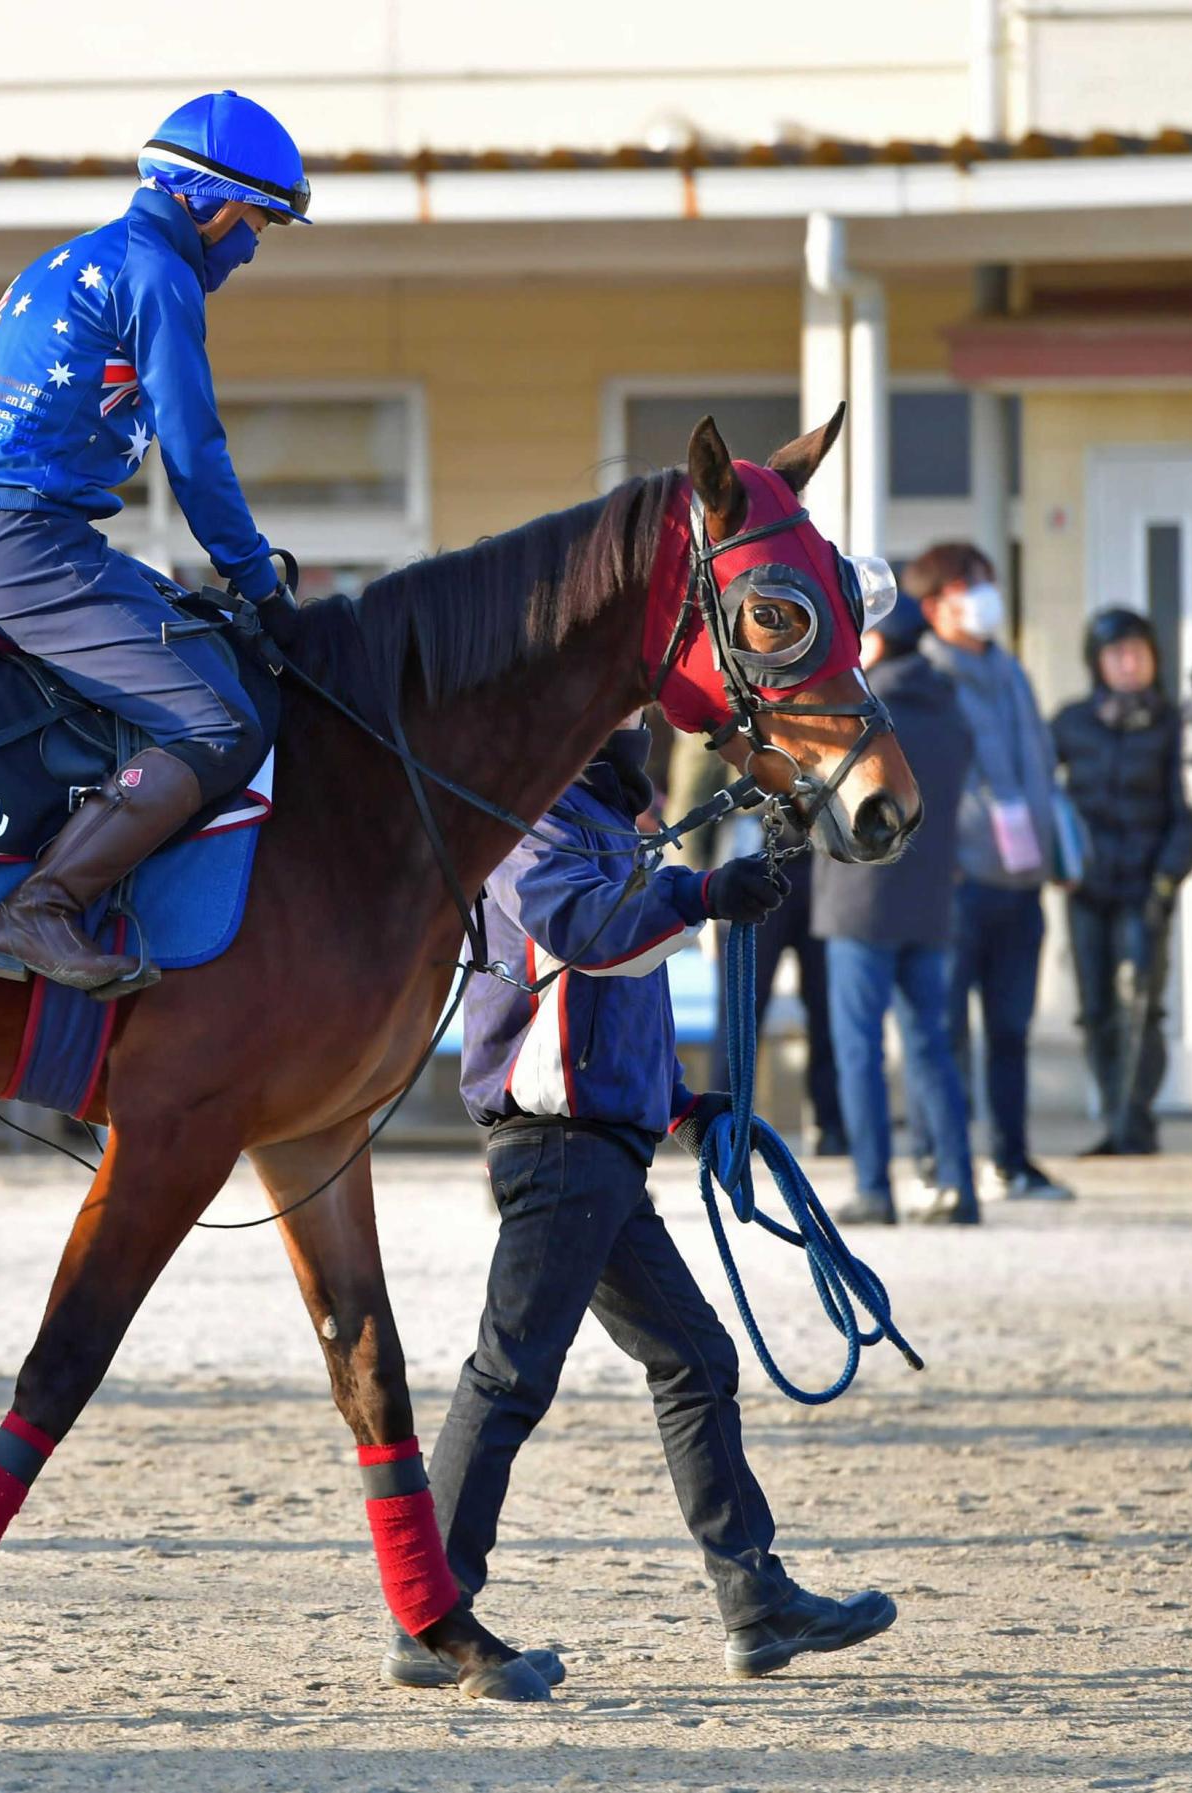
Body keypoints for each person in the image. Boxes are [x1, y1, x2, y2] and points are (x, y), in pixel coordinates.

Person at [384, 719, 897, 1691]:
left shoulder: (617, 819)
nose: (644, 729)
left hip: (606, 1142)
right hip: (555, 1143)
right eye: (626, 714)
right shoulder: (524, 814)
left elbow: (625, 1003)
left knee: (695, 1357)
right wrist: (700, 891)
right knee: (510, 1372)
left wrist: (682, 1105)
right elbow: (580, 937)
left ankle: (756, 1601)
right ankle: (426, 1613)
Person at [0, 91, 307, 994]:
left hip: (1, 529)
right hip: (18, 539)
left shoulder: (86, 253)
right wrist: (260, 583)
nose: (253, 248)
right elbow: (195, 450)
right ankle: (42, 907)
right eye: (258, 223)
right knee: (215, 723)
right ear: (211, 202)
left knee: (201, 651)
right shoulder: (158, 272)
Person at [912, 542, 1074, 1203]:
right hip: (958, 884)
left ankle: (1011, 1158)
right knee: (942, 1029)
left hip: (1021, 881)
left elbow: (1039, 764)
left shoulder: (1011, 671)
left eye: (987, 585)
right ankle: (934, 1162)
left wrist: (1057, 851)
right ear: (933, 606)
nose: (985, 599)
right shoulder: (923, 677)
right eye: (968, 587)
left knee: (1010, 1029)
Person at [814, 595, 979, 1225]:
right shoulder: (951, 707)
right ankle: (958, 1185)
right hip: (932, 897)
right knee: (932, 1044)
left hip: (861, 900)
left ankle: (874, 1187)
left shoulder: (863, 710)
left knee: (859, 1048)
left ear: (877, 644)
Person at [1052, 608, 1192, 1156]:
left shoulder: (1172, 726)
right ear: (1097, 663)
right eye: (1117, 654)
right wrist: (1052, 862)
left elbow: (1189, 814)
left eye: (1139, 652)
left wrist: (1167, 879)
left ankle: (1133, 1121)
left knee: (1141, 1004)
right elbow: (1037, 790)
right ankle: (1115, 1114)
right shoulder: (1070, 722)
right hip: (1086, 889)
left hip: (1146, 887)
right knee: (1096, 1008)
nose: (1129, 663)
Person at [673, 747, 847, 1155]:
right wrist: (697, 898)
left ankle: (832, 1123)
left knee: (826, 1006)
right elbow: (693, 798)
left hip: (817, 864)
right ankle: (725, 1127)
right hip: (750, 865)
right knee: (740, 1010)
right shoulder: (723, 711)